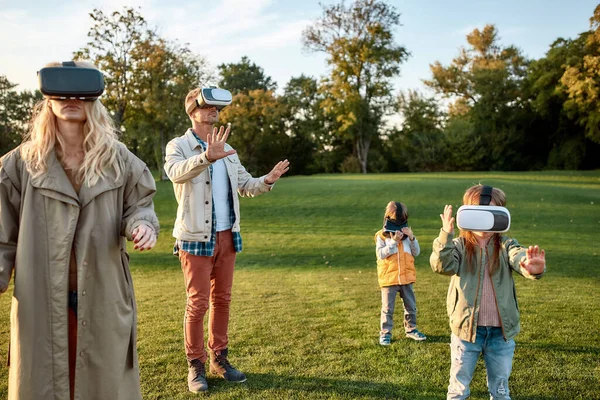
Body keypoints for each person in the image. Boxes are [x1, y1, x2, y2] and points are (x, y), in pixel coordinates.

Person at [0, 61, 159, 400]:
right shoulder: (19, 164)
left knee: (102, 383)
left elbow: (139, 205)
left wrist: (142, 225)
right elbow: (2, 234)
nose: (70, 98)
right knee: (43, 382)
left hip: (103, 295)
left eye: (80, 91)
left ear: (94, 98)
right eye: (61, 91)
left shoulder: (120, 161)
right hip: (39, 299)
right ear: (46, 98)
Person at [164, 87, 289, 393]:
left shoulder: (228, 149)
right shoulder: (178, 145)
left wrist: (268, 180)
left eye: (216, 110)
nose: (214, 113)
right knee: (197, 304)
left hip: (227, 235)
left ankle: (220, 359)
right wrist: (206, 156)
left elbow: (246, 185)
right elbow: (174, 173)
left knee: (222, 301)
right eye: (207, 108)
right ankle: (196, 366)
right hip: (195, 237)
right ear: (192, 111)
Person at [430, 184, 546, 400]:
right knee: (458, 390)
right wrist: (445, 235)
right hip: (466, 332)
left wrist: (531, 267)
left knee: (501, 391)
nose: (484, 220)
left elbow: (518, 256)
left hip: (500, 335)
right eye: (478, 214)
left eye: (491, 213)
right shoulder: (459, 246)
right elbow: (442, 266)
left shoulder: (506, 245)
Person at [375, 201, 427, 346]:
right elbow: (380, 254)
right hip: (389, 278)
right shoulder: (381, 236)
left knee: (411, 306)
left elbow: (416, 252)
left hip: (407, 277)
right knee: (387, 308)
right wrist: (393, 242)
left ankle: (411, 329)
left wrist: (412, 238)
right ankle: (385, 333)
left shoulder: (407, 236)